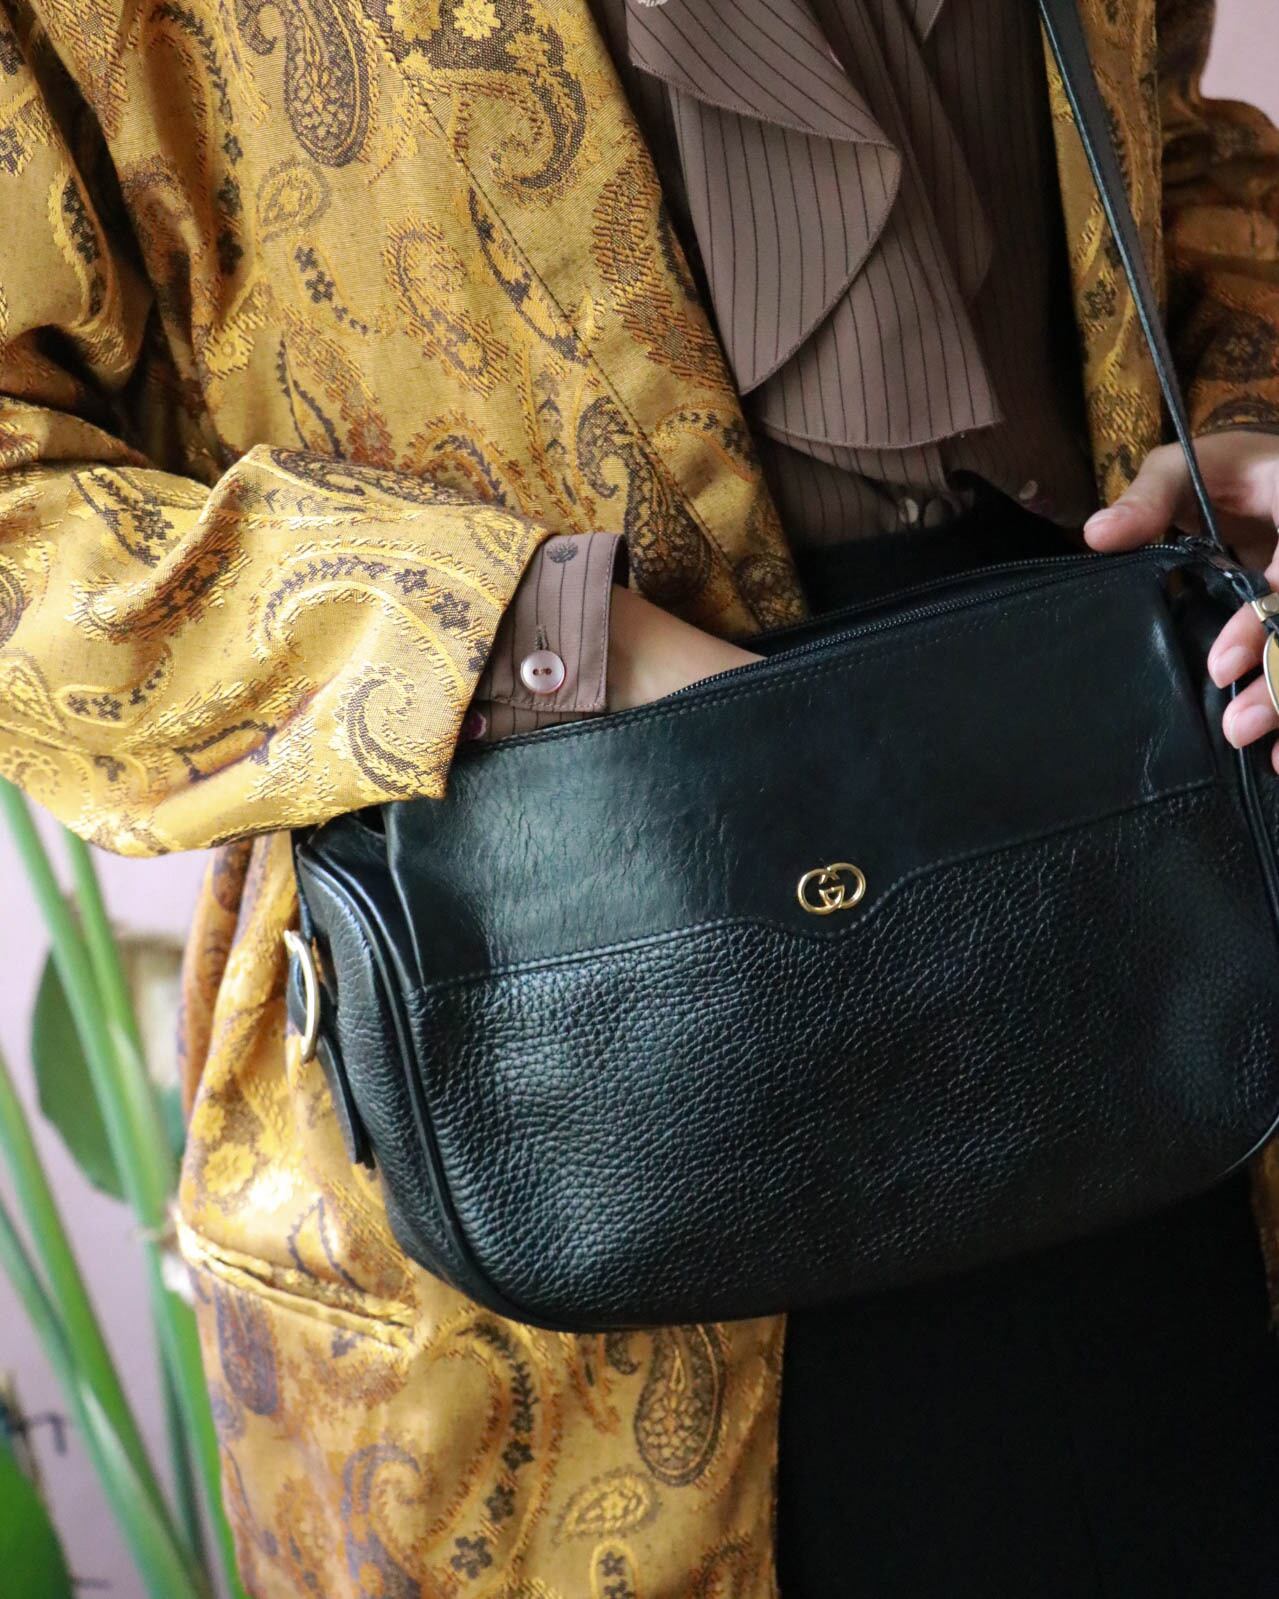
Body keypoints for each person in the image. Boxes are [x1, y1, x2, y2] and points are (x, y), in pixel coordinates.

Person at [2, 0, 1278, 1592]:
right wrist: (523, 638)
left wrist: (1245, 417)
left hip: (1133, 882)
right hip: (548, 975)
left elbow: (1174, 143)